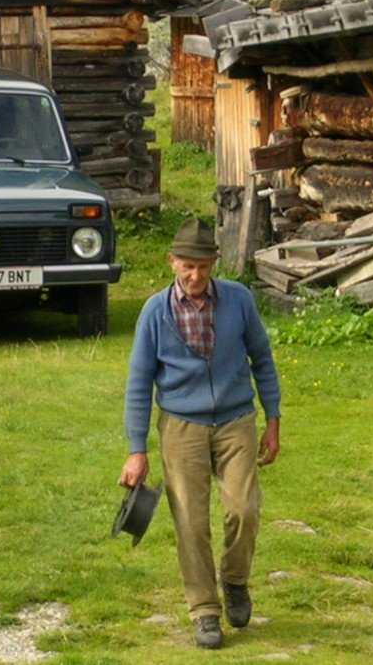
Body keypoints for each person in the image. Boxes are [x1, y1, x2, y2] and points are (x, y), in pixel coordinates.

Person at [119, 216, 282, 649]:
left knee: (243, 509)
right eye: (188, 266)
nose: (196, 276)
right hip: (181, 425)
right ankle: (204, 610)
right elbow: (139, 383)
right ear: (172, 262)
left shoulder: (238, 300)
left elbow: (262, 360)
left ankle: (235, 581)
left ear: (214, 265)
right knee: (190, 521)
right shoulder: (155, 311)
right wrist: (137, 450)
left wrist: (273, 420)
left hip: (235, 420)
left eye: (204, 267)